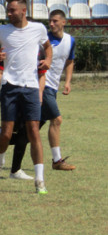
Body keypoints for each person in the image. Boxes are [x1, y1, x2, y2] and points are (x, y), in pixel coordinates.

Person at [0, 0, 52, 194]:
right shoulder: (2, 30)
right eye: (8, 10)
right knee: (6, 133)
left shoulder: (38, 29)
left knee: (34, 132)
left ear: (24, 11)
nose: (9, 13)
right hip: (9, 87)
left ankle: (40, 180)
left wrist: (47, 60)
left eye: (13, 10)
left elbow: (47, 48)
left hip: (30, 88)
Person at [40, 9, 76, 170]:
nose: (51, 24)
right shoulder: (45, 40)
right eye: (50, 21)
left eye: (55, 21)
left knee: (27, 132)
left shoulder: (70, 40)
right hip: (42, 85)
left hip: (53, 87)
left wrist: (67, 82)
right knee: (57, 119)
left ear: (64, 22)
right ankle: (57, 161)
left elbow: (69, 61)